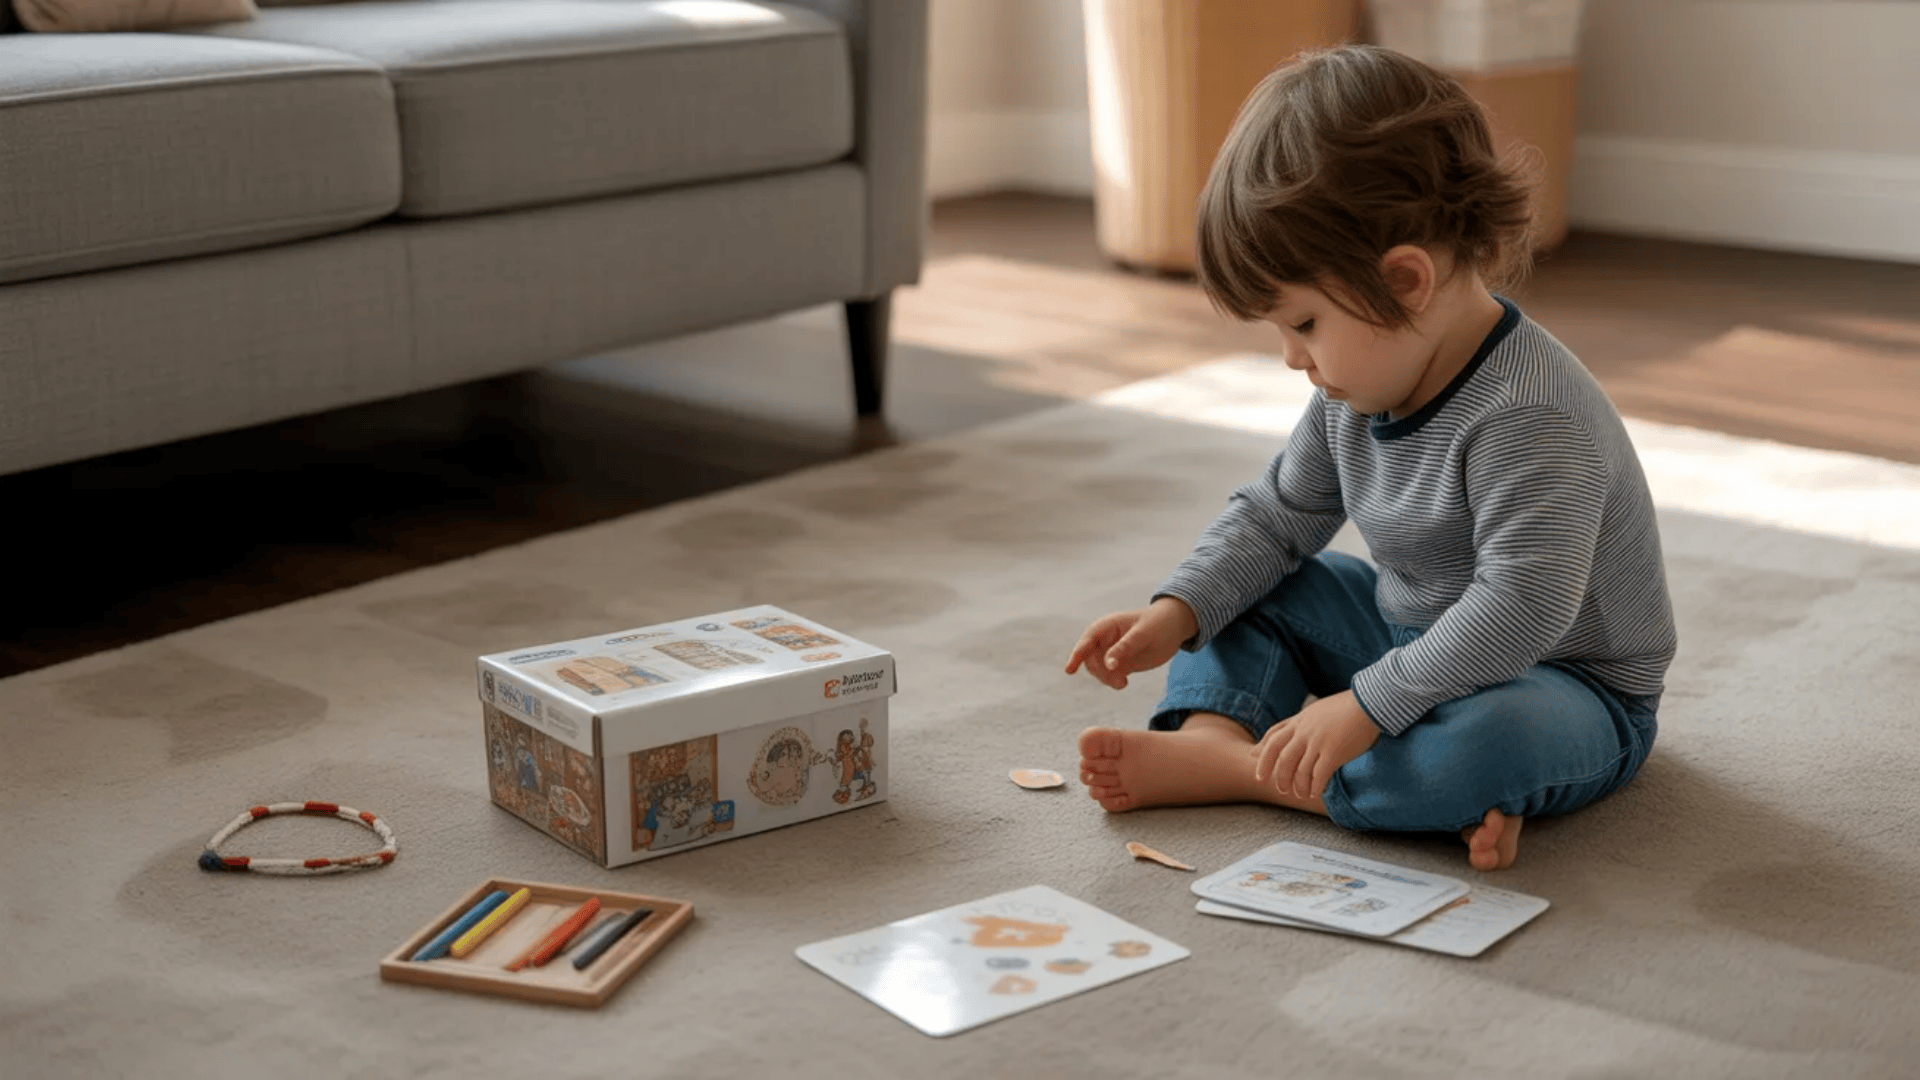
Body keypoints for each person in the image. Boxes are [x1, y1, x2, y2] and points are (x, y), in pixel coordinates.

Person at [1065, 45, 1676, 871]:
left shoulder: (1532, 414)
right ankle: (1221, 733)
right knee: (1251, 593)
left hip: (1567, 682)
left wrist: (1365, 704)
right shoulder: (1350, 391)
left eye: (1305, 324)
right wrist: (1179, 610)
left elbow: (1522, 611)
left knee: (1490, 744)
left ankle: (1250, 774)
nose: (1292, 358)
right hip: (1409, 633)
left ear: (1406, 281)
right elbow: (1279, 516)